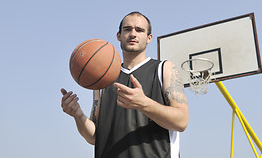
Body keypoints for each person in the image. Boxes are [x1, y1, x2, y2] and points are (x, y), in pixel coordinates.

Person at [61, 11, 189, 158]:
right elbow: (94, 137)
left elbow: (182, 121)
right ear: (118, 35)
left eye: (139, 30)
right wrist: (78, 116)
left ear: (149, 38)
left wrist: (144, 104)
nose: (133, 34)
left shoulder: (164, 69)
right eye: (127, 29)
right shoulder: (103, 78)